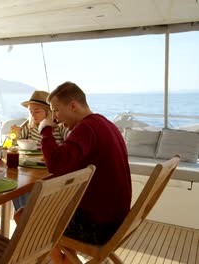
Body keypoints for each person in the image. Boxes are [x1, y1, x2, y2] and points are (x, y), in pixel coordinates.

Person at [35, 82, 131, 263]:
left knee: (26, 215)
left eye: (56, 110)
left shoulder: (86, 128)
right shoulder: (105, 124)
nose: (55, 117)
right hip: (119, 221)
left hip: (99, 226)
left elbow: (55, 164)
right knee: (52, 210)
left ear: (73, 106)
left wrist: (45, 130)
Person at [11, 91, 69, 210]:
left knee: (24, 188)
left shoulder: (59, 127)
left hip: (50, 172)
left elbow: (70, 141)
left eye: (37, 111)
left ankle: (28, 217)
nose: (33, 115)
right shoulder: (30, 126)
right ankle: (25, 216)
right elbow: (17, 142)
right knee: (17, 185)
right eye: (31, 112)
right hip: (31, 169)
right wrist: (16, 134)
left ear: (48, 112)